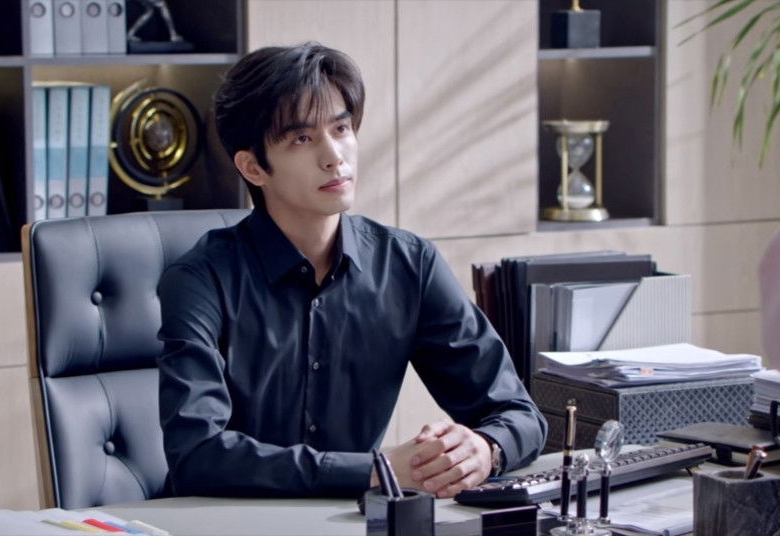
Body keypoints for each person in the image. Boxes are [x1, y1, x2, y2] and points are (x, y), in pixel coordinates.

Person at [156, 42, 546, 499]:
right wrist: (376, 471)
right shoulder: (200, 280)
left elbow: (520, 415)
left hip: (353, 522)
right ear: (253, 167)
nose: (334, 156)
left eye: (341, 129)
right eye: (302, 139)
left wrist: (483, 449)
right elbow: (197, 456)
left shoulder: (408, 264)